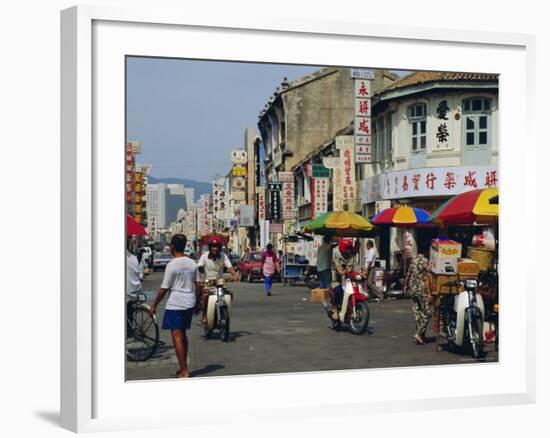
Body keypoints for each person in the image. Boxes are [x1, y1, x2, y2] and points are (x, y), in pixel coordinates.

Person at [149, 234, 200, 378]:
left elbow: (164, 288)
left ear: (172, 246)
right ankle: (183, 366)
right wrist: (198, 303)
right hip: (189, 302)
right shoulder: (192, 263)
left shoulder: (172, 265)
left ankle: (184, 370)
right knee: (183, 335)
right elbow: (198, 284)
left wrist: (154, 305)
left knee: (176, 337)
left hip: (176, 303)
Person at [197, 237, 238, 327]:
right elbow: (200, 267)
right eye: (213, 246)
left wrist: (234, 275)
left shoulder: (223, 255)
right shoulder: (204, 256)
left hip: (220, 282)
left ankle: (225, 312)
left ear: (219, 248)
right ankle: (204, 316)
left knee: (230, 294)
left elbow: (229, 267)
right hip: (208, 283)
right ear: (210, 247)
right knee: (205, 296)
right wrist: (201, 278)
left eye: (216, 246)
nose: (214, 249)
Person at [405, 247, 433, 345]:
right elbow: (427, 278)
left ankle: (421, 336)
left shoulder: (414, 260)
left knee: (417, 313)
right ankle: (419, 333)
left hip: (413, 289)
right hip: (422, 290)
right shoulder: (426, 261)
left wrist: (405, 285)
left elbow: (408, 274)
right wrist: (429, 293)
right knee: (428, 312)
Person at [331, 239, 360, 320]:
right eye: (348, 248)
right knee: (338, 290)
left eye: (350, 248)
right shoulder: (337, 256)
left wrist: (362, 272)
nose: (350, 250)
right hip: (338, 280)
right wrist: (340, 271)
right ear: (343, 248)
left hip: (349, 281)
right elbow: (337, 267)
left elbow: (357, 267)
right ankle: (335, 309)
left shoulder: (352, 257)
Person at [126, 245, 142, 337]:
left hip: (127, 293)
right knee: (129, 312)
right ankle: (129, 331)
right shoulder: (134, 257)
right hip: (136, 291)